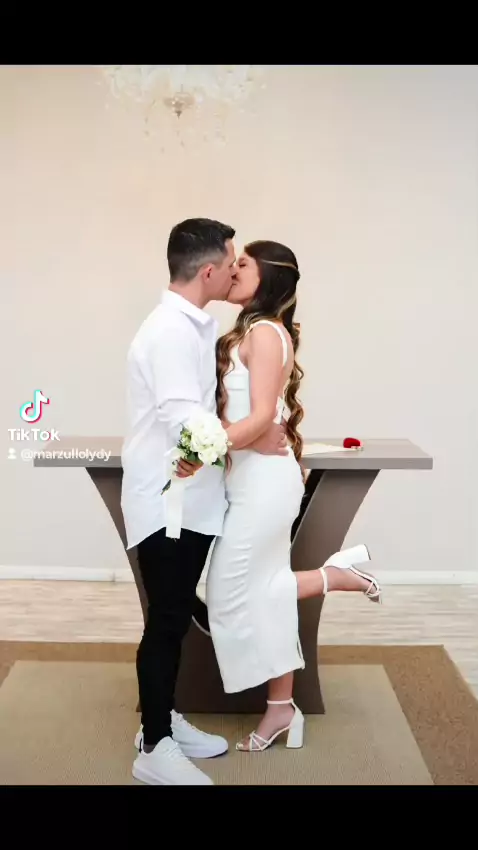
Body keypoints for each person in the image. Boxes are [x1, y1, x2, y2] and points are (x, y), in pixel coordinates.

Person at [121, 219, 288, 786]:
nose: (235, 270)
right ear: (210, 270)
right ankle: (154, 747)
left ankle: (162, 720)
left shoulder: (195, 325)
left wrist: (239, 434)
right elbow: (182, 420)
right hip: (168, 499)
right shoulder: (170, 330)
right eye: (231, 261)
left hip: (192, 498)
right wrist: (250, 435)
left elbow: (200, 415)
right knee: (167, 620)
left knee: (172, 618)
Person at [204, 240, 382, 752]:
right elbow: (256, 421)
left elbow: (263, 416)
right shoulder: (254, 331)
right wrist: (234, 436)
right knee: (264, 589)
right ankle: (281, 704)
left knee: (235, 591)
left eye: (243, 264)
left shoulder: (264, 333)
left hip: (263, 483)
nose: (233, 269)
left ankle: (336, 578)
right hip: (252, 479)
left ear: (269, 278)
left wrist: (205, 444)